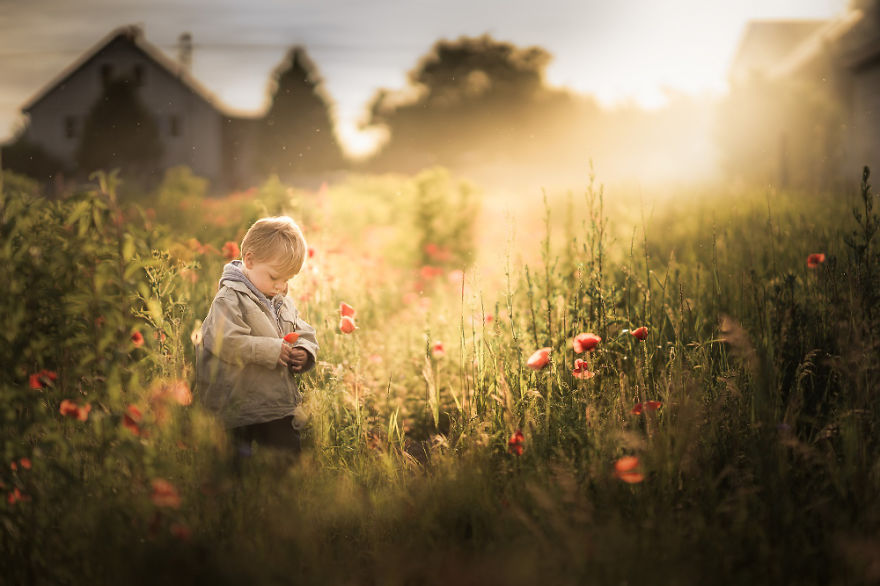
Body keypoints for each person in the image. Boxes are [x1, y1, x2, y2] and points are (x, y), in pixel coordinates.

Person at [195, 216, 318, 460]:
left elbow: (301, 329)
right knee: (237, 463)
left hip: (275, 403)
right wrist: (272, 350)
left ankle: (284, 493)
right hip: (237, 406)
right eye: (275, 277)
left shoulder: (280, 300)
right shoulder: (229, 300)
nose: (281, 286)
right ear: (249, 260)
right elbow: (226, 342)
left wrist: (304, 349)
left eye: (287, 280)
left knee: (287, 457)